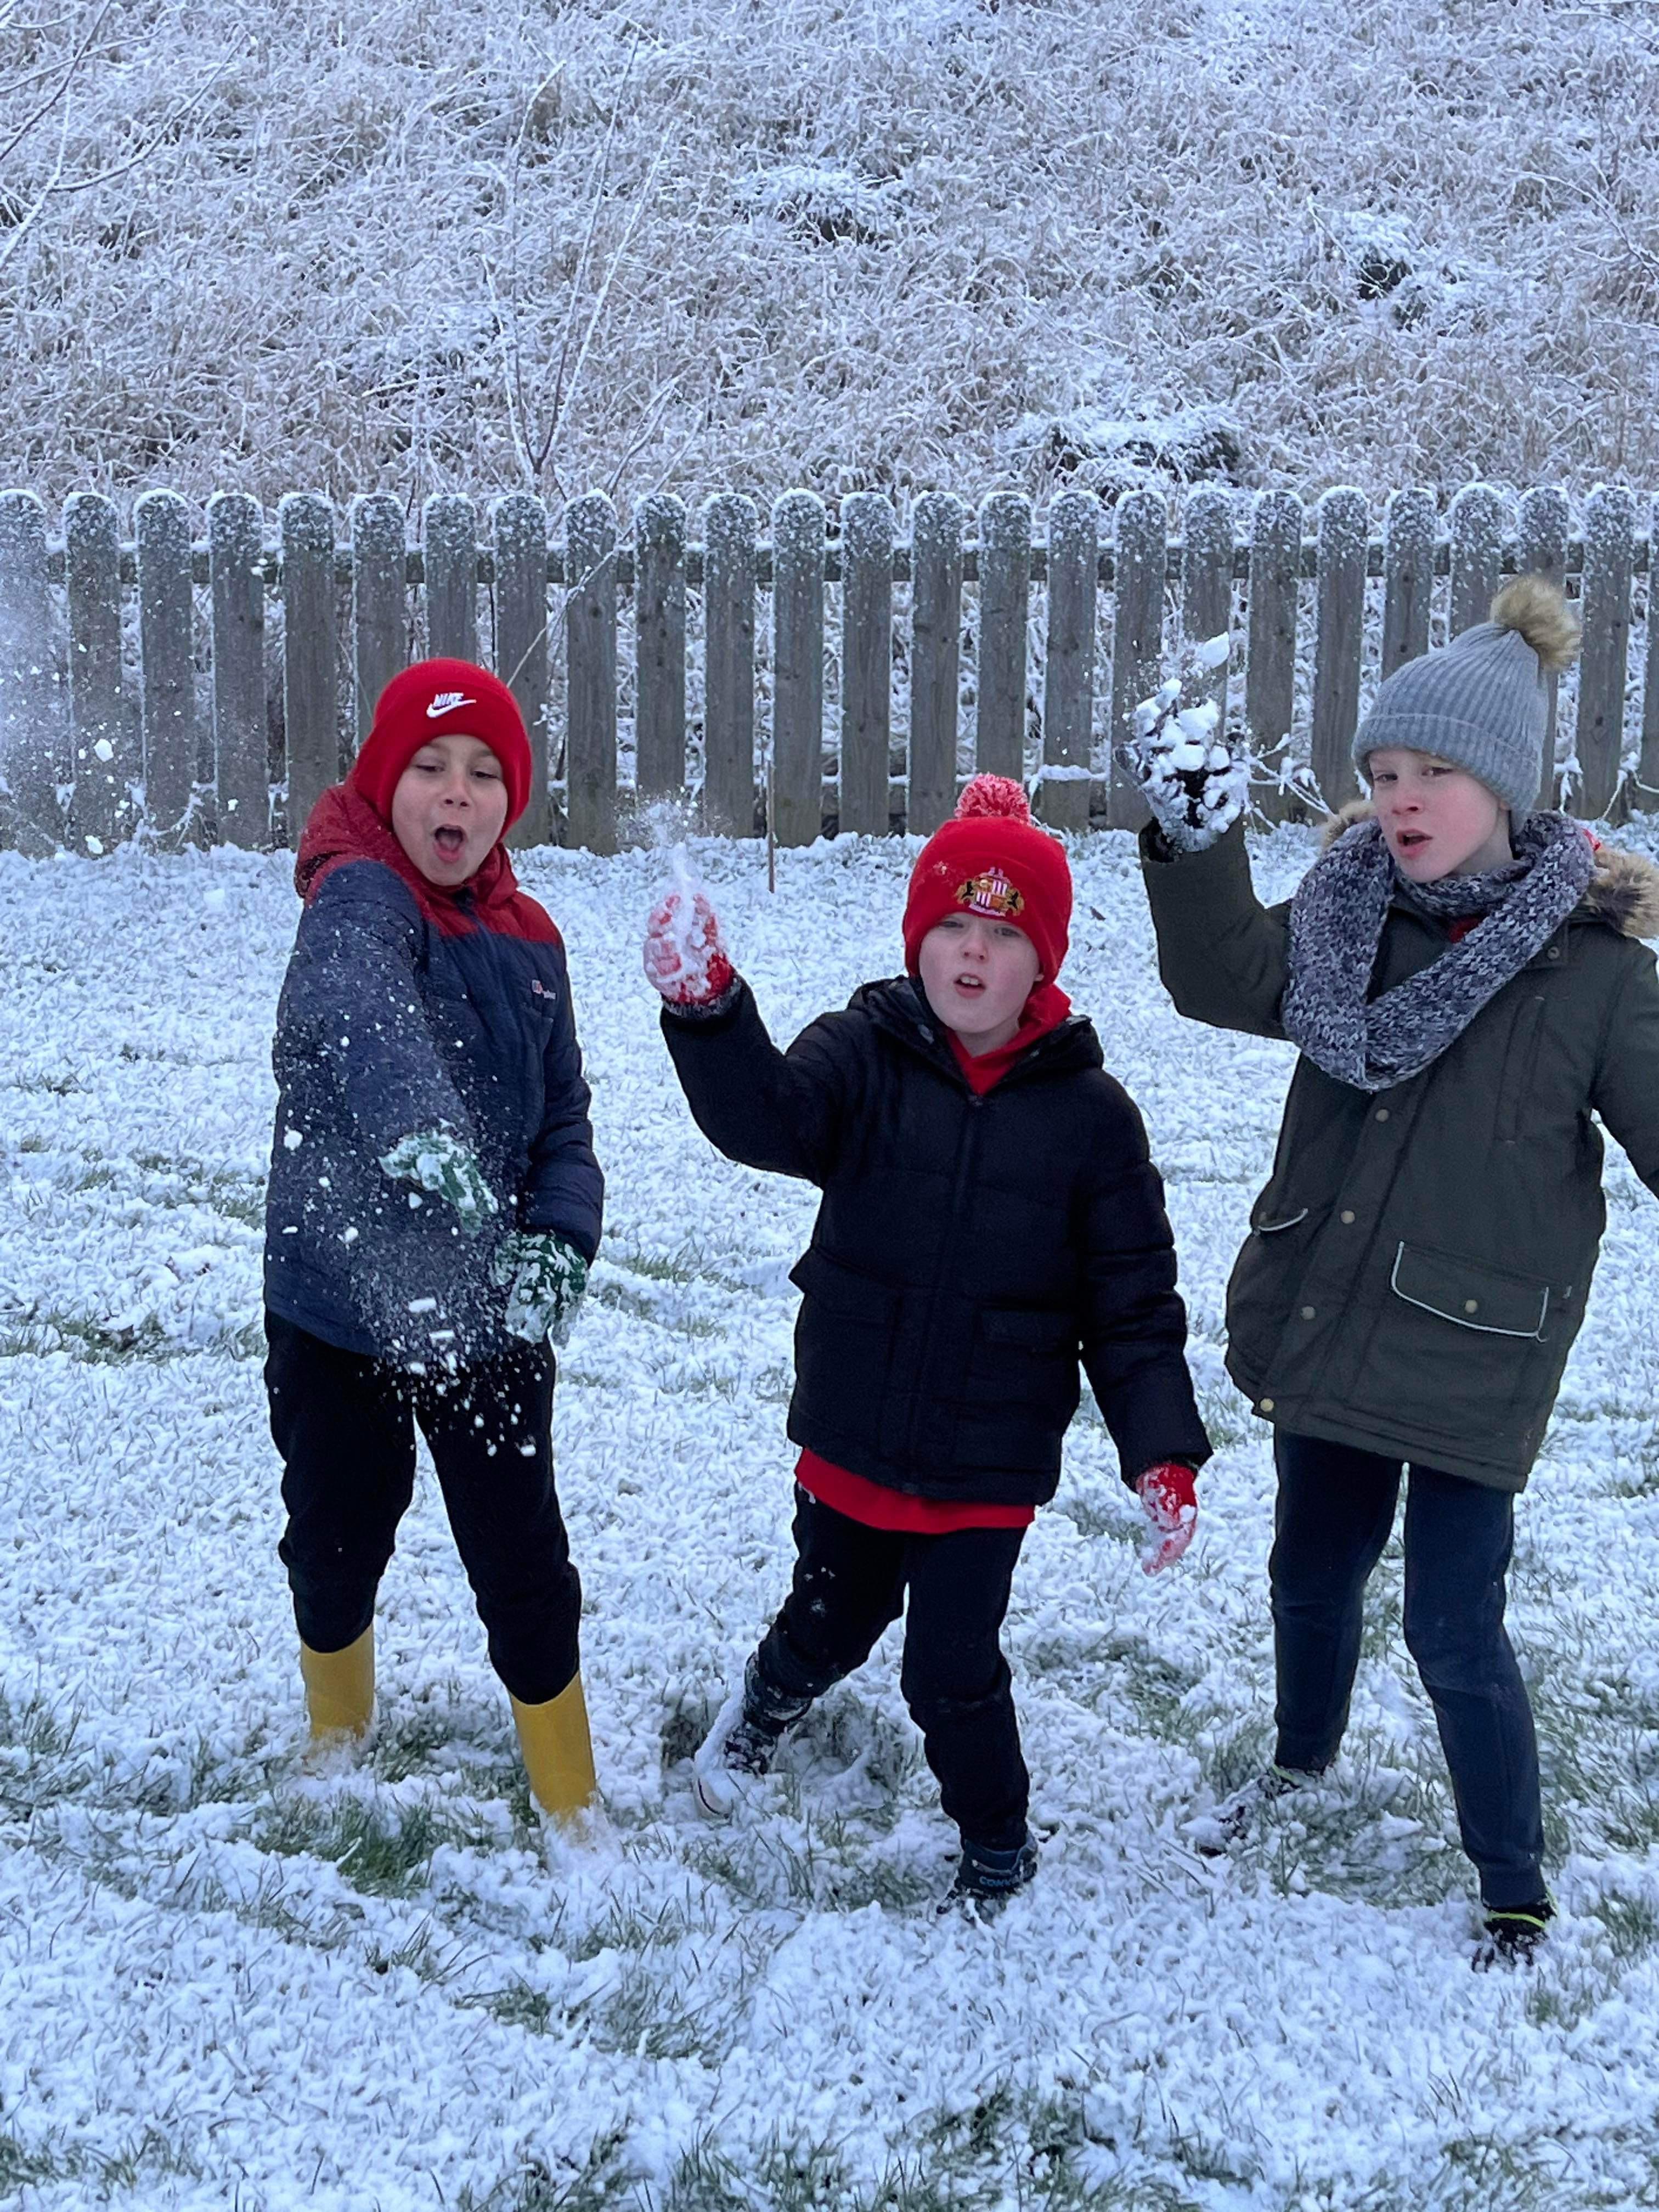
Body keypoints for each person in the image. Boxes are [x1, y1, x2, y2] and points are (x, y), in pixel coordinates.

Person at [1129, 577, 1659, 1964]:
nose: (1402, 798)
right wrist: (1195, 841)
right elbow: (1221, 976)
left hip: (1479, 1355)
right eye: (1382, 773)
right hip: (1334, 1309)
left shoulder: (1598, 974)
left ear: (1506, 786)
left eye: (1435, 773)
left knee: (1451, 1625)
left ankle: (1512, 1877)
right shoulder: (1347, 913)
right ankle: (1301, 1757)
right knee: (1311, 1571)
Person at [643, 776, 1211, 1906]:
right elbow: (766, 1119)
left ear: (1044, 959)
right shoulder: (862, 1051)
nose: (972, 953)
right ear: (917, 939)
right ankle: (765, 1704)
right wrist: (709, 1012)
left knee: (950, 1672)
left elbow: (1134, 1307)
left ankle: (997, 1839)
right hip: (856, 1424)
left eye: (1004, 933)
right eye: (952, 924)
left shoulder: (1094, 1121)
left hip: (987, 1463)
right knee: (828, 1617)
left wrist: (1161, 1452)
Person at [264, 658, 605, 1825]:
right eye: (428, 766)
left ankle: (569, 1795)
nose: (457, 793)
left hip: (484, 1311)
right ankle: (336, 1732)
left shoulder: (534, 941)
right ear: (382, 781)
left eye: (484, 774)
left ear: (512, 802)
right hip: (338, 1302)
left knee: (522, 1559)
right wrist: (416, 1122)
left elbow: (565, 1119)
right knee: (334, 1535)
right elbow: (357, 1008)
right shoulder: (357, 894)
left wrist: (560, 1233)